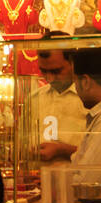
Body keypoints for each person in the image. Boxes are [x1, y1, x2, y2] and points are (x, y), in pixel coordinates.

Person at [23, 30, 86, 162]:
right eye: (43, 71)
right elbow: (23, 143)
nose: (50, 79)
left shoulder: (89, 99)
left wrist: (61, 150)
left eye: (56, 71)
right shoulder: (34, 98)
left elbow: (99, 151)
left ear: (73, 62)